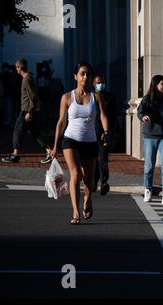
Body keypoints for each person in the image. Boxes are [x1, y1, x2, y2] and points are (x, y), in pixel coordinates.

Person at [50, 62, 109, 225]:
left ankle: (87, 201)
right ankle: (75, 211)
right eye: (82, 73)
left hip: (90, 142)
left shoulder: (96, 96)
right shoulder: (67, 97)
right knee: (75, 174)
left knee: (89, 180)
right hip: (70, 140)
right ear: (75, 76)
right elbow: (61, 122)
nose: (85, 77)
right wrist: (55, 145)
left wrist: (106, 132)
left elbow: (103, 116)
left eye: (88, 74)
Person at [2, 59, 52, 164]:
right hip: (28, 110)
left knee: (17, 130)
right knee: (35, 133)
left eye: (16, 67)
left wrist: (30, 111)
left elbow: (32, 96)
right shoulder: (27, 78)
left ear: (20, 67)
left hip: (26, 110)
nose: (15, 69)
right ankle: (49, 152)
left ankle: (15, 154)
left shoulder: (26, 79)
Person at [137, 75, 163, 204]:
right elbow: (139, 112)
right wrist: (143, 117)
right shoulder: (147, 99)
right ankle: (148, 189)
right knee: (149, 165)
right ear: (156, 85)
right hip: (150, 135)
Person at [92, 74, 116, 196]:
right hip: (91, 132)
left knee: (102, 158)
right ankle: (94, 182)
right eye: (98, 82)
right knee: (93, 159)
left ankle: (104, 182)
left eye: (102, 82)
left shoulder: (109, 97)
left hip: (103, 132)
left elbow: (111, 116)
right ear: (93, 84)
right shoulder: (90, 97)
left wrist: (108, 132)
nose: (100, 84)